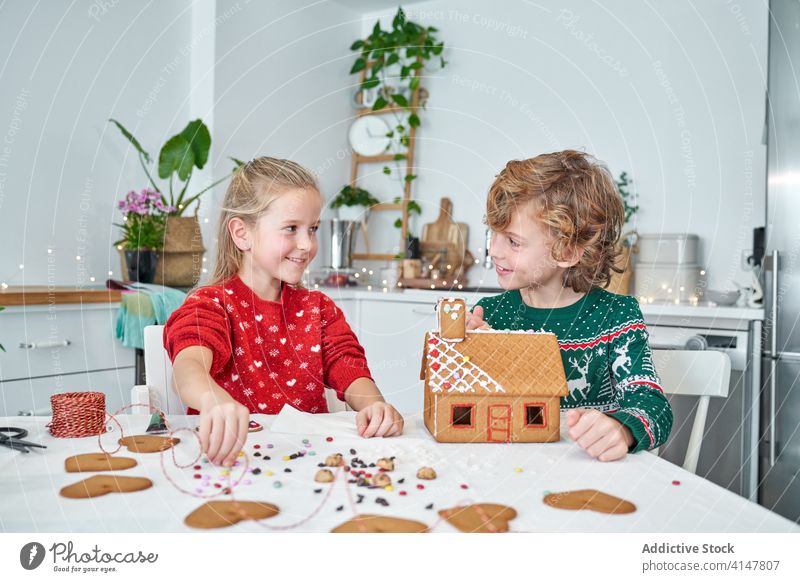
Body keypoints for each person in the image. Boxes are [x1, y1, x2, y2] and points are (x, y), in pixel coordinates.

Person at [163, 157, 404, 467]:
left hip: (311, 465)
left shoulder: (317, 309)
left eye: (313, 229)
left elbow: (349, 367)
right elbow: (189, 366)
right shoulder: (211, 304)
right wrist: (212, 399)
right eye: (291, 228)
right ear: (241, 233)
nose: (306, 244)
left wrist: (374, 406)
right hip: (234, 464)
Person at [467, 150, 672, 461]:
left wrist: (621, 430)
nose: (494, 250)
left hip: (591, 479)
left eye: (513, 241)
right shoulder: (491, 315)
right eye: (492, 233)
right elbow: (473, 412)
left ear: (568, 251)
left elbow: (654, 406)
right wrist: (467, 354)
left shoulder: (616, 317)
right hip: (510, 471)